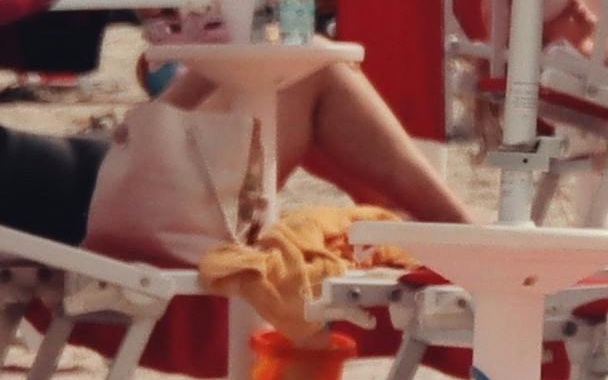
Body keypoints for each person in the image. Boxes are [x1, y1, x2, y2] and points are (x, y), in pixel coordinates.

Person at [0, 47, 469, 267]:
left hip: (125, 173)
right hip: (126, 204)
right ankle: (458, 237)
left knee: (291, 67)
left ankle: (413, 230)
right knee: (314, 70)